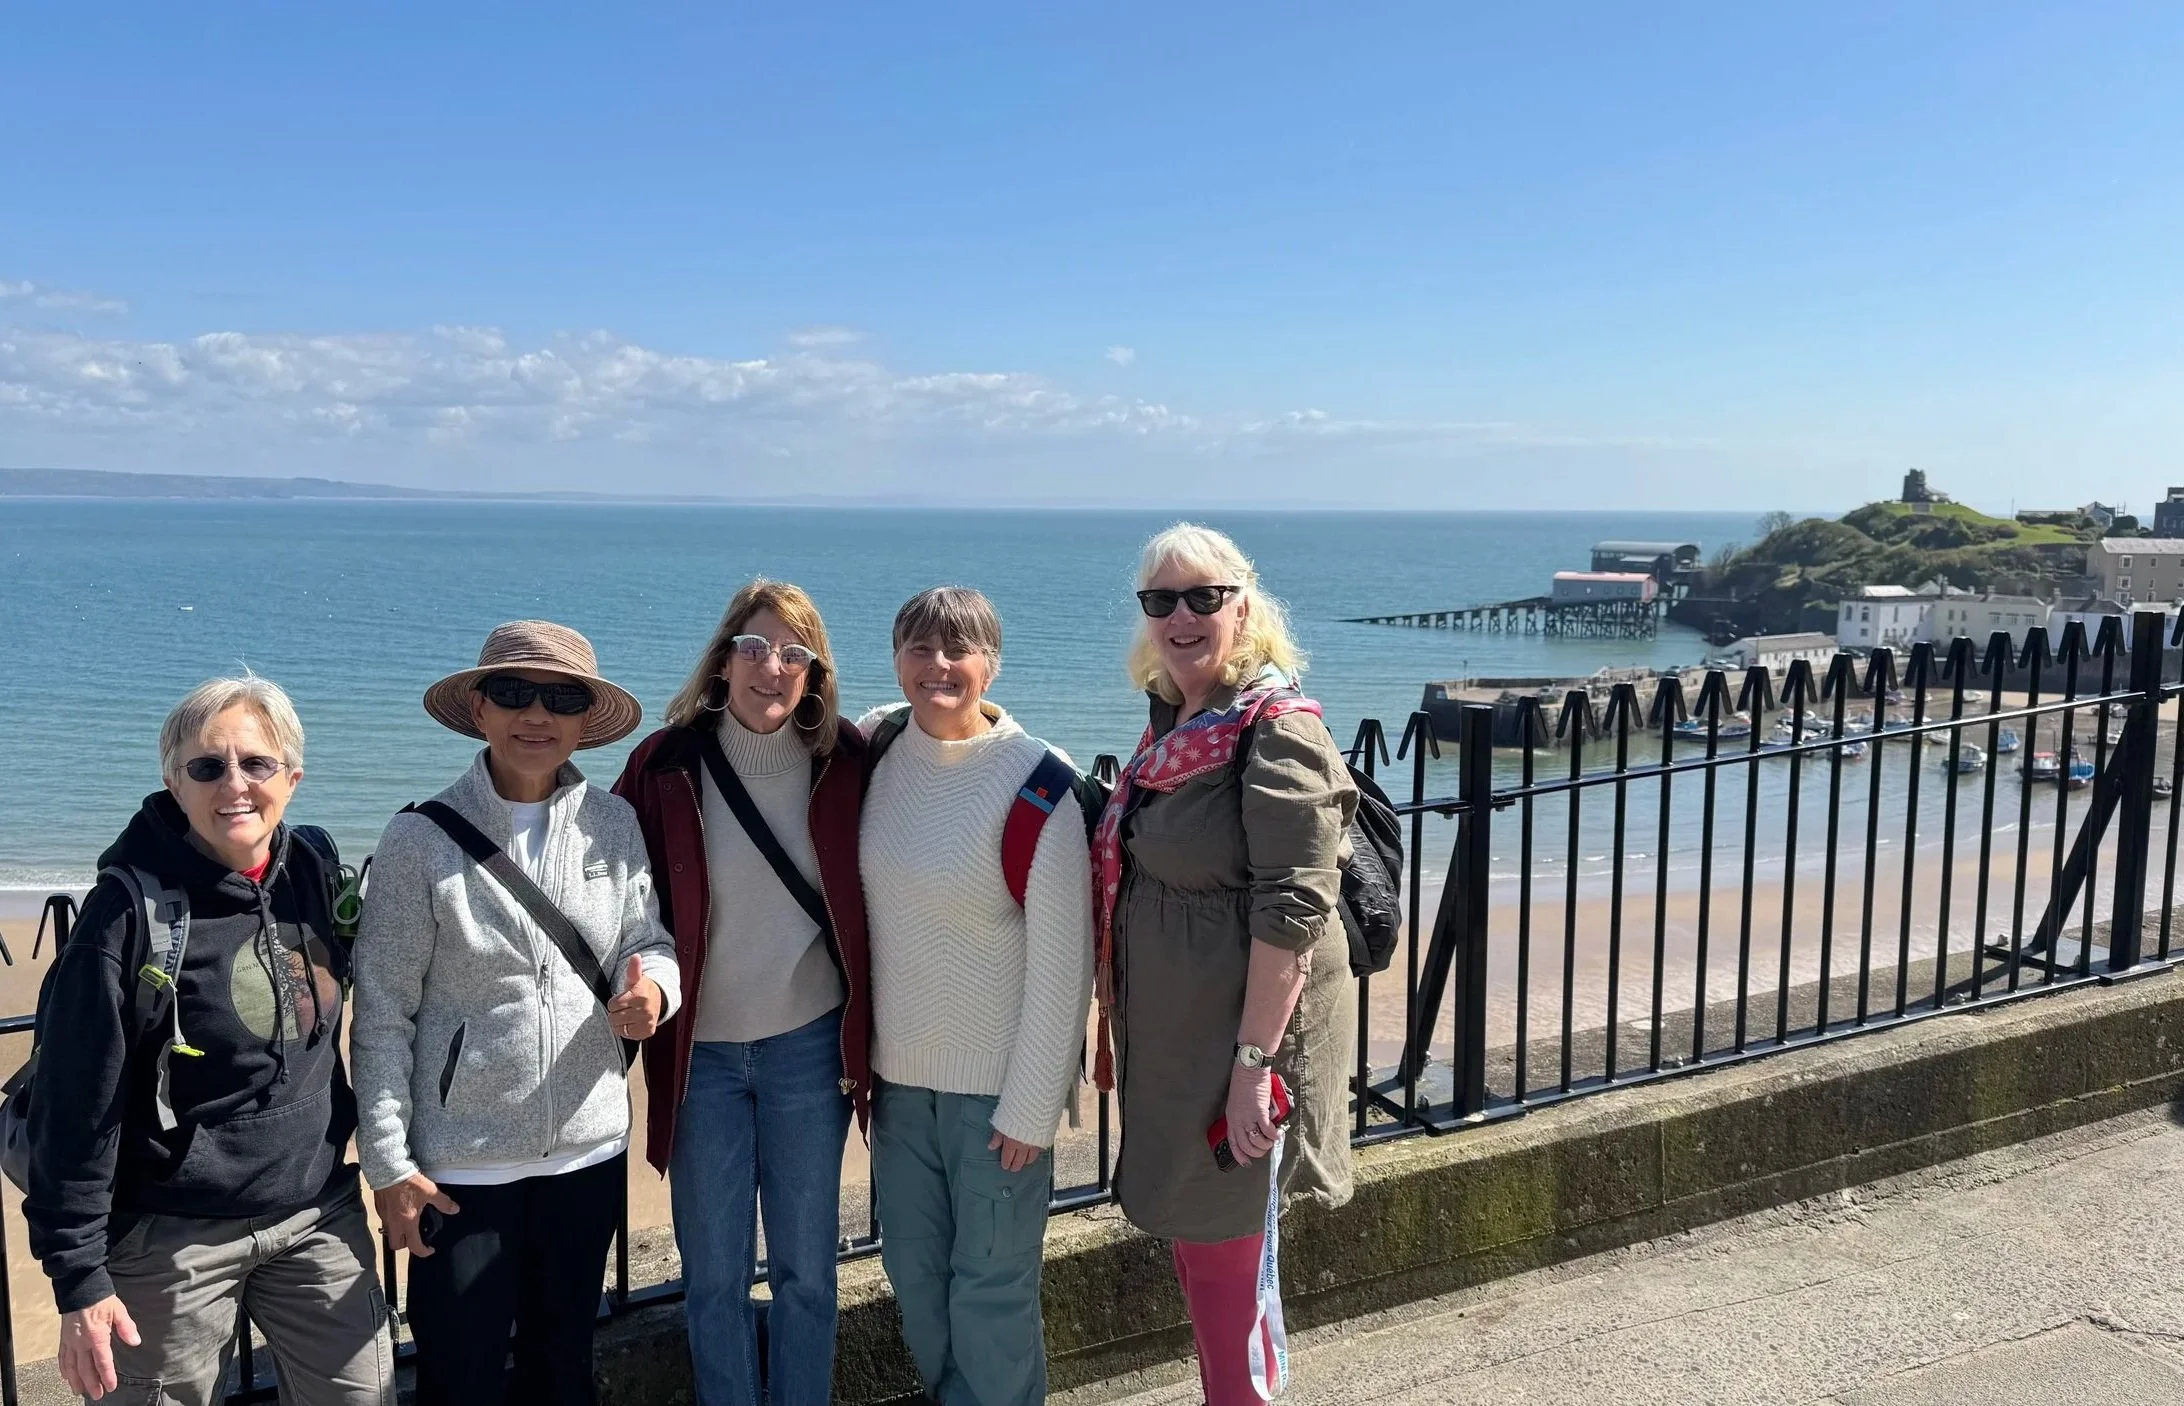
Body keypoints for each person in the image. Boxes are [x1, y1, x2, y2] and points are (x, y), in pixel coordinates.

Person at [25, 674, 394, 1406]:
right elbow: (73, 1111)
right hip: (171, 1235)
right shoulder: (125, 917)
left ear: (292, 777)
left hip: (316, 1211)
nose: (235, 784)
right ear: (173, 779)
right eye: (207, 766)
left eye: (256, 764)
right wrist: (79, 1281)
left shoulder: (314, 871)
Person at [352, 620, 681, 1406]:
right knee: (458, 1378)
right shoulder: (417, 840)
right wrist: (390, 1166)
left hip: (586, 1155)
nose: (536, 714)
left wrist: (655, 992)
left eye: (561, 697)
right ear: (478, 707)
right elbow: (382, 1016)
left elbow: (648, 937)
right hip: (461, 1171)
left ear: (584, 720)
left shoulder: (615, 823)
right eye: (513, 692)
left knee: (562, 1366)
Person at [1095, 524, 1358, 1406]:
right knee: (1213, 1264)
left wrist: (1252, 1069)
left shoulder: (1274, 731)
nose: (1182, 615)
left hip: (1237, 1051)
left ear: (1245, 607)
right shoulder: (1179, 723)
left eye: (1205, 596)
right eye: (1161, 599)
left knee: (1228, 1276)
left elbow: (1292, 913)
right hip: (1182, 1045)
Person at [612, 580, 872, 1406]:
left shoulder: (848, 762)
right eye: (756, 648)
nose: (773, 667)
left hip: (808, 1050)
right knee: (714, 1278)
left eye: (794, 654)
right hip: (702, 1060)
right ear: (724, 660)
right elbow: (613, 893)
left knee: (807, 1274)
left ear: (814, 675)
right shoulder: (665, 764)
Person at [860, 586, 1094, 1406]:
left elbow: (1065, 967)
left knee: (990, 1294)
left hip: (996, 1094)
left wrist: (1032, 1107)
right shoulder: (877, 748)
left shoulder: (1038, 786)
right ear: (896, 660)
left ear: (991, 664)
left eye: (960, 650)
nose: (940, 667)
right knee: (914, 1280)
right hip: (898, 1085)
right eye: (920, 649)